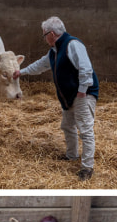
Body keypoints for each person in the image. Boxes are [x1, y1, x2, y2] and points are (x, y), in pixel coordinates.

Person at [20, 16, 99, 181]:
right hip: (68, 96)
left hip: (81, 94)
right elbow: (40, 65)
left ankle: (87, 168)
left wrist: (83, 90)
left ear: (51, 33)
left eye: (44, 35)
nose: (44, 38)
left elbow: (86, 68)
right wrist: (21, 72)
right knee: (68, 126)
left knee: (85, 130)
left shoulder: (73, 45)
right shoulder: (54, 51)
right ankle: (71, 156)